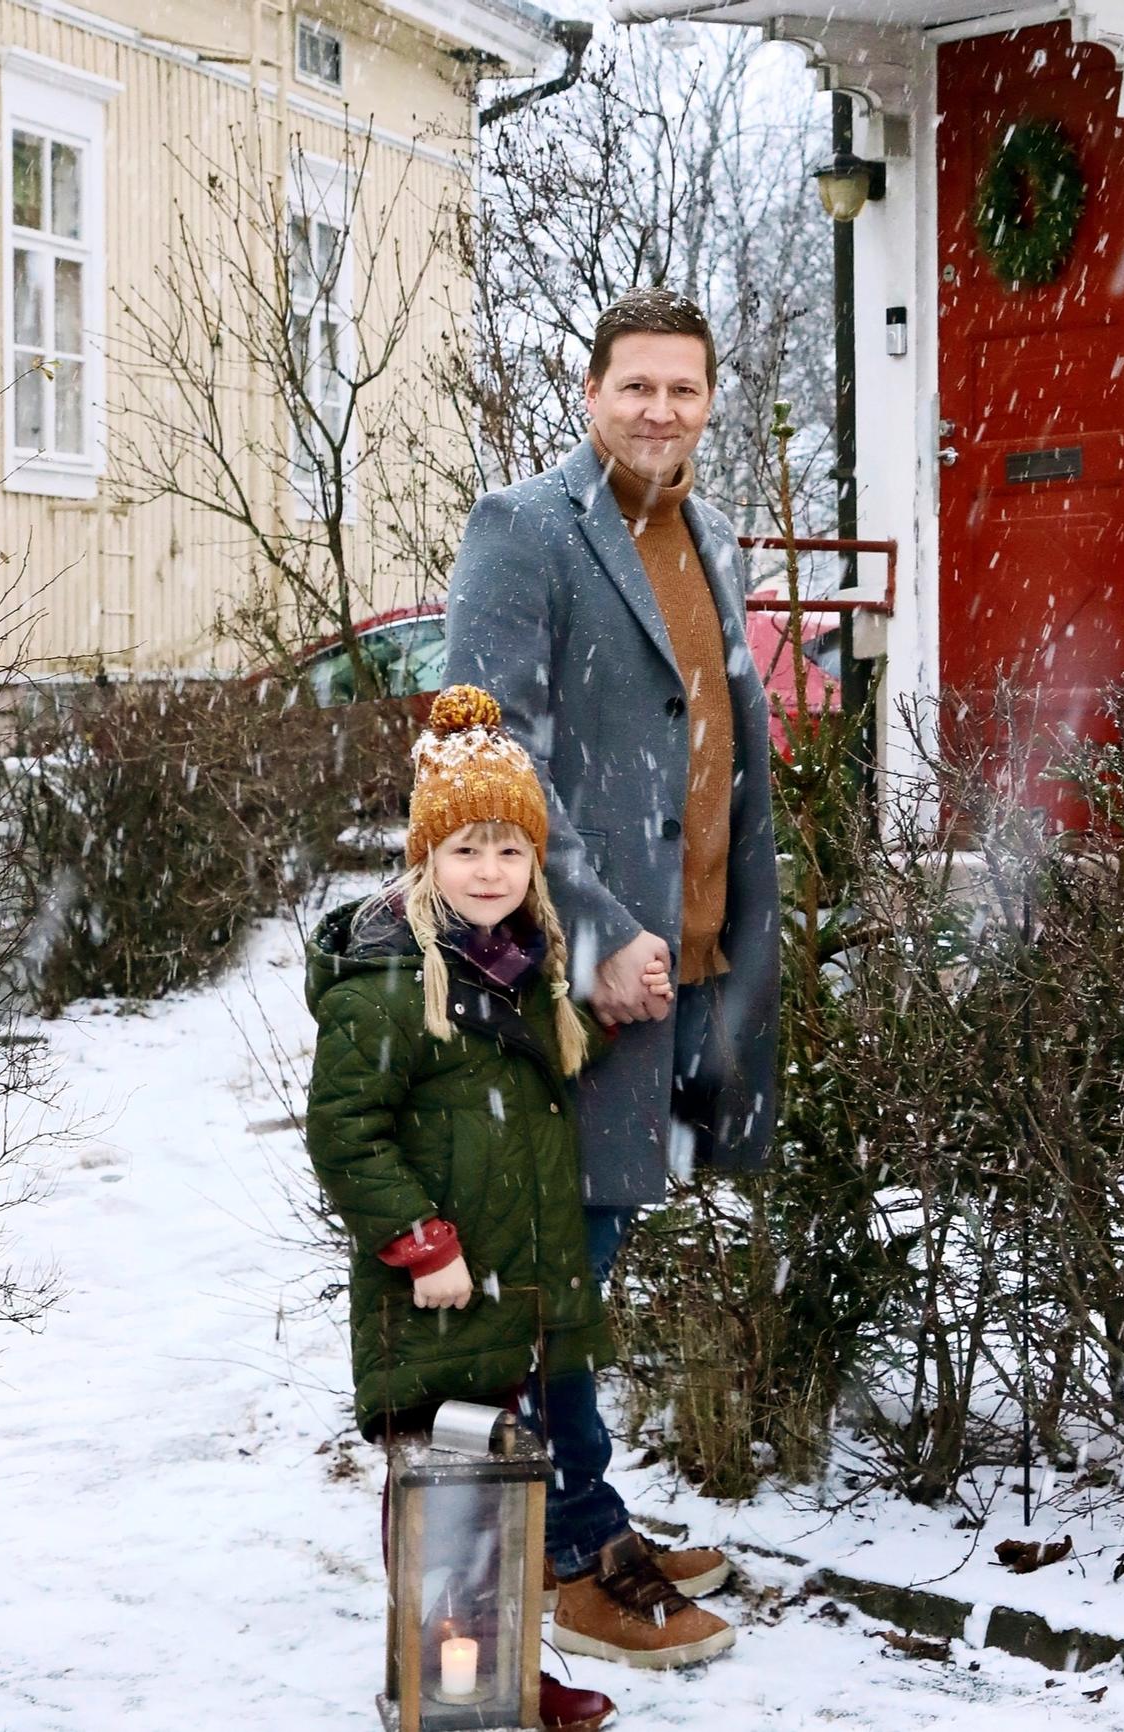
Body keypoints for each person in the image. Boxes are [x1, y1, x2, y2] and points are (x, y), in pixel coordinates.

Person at [445, 288, 781, 1657]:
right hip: (570, 978)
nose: (659, 410)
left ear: (709, 402)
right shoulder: (525, 529)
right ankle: (562, 1556)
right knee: (549, 1270)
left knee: (588, 1253)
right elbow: (487, 754)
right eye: (635, 385)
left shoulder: (711, 536)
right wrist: (586, 927)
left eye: (682, 388)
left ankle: (581, 1509)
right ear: (589, 395)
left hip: (689, 961)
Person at [306, 687, 736, 1728]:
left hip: (509, 1294)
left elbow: (530, 1091)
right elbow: (346, 1133)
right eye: (465, 851)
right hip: (435, 1294)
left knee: (498, 1499)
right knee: (445, 1500)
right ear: (426, 858)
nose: (489, 871)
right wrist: (421, 1243)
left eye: (509, 850)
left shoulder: (517, 970)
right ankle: (442, 1685)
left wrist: (612, 1008)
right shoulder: (388, 983)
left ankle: (495, 1676)